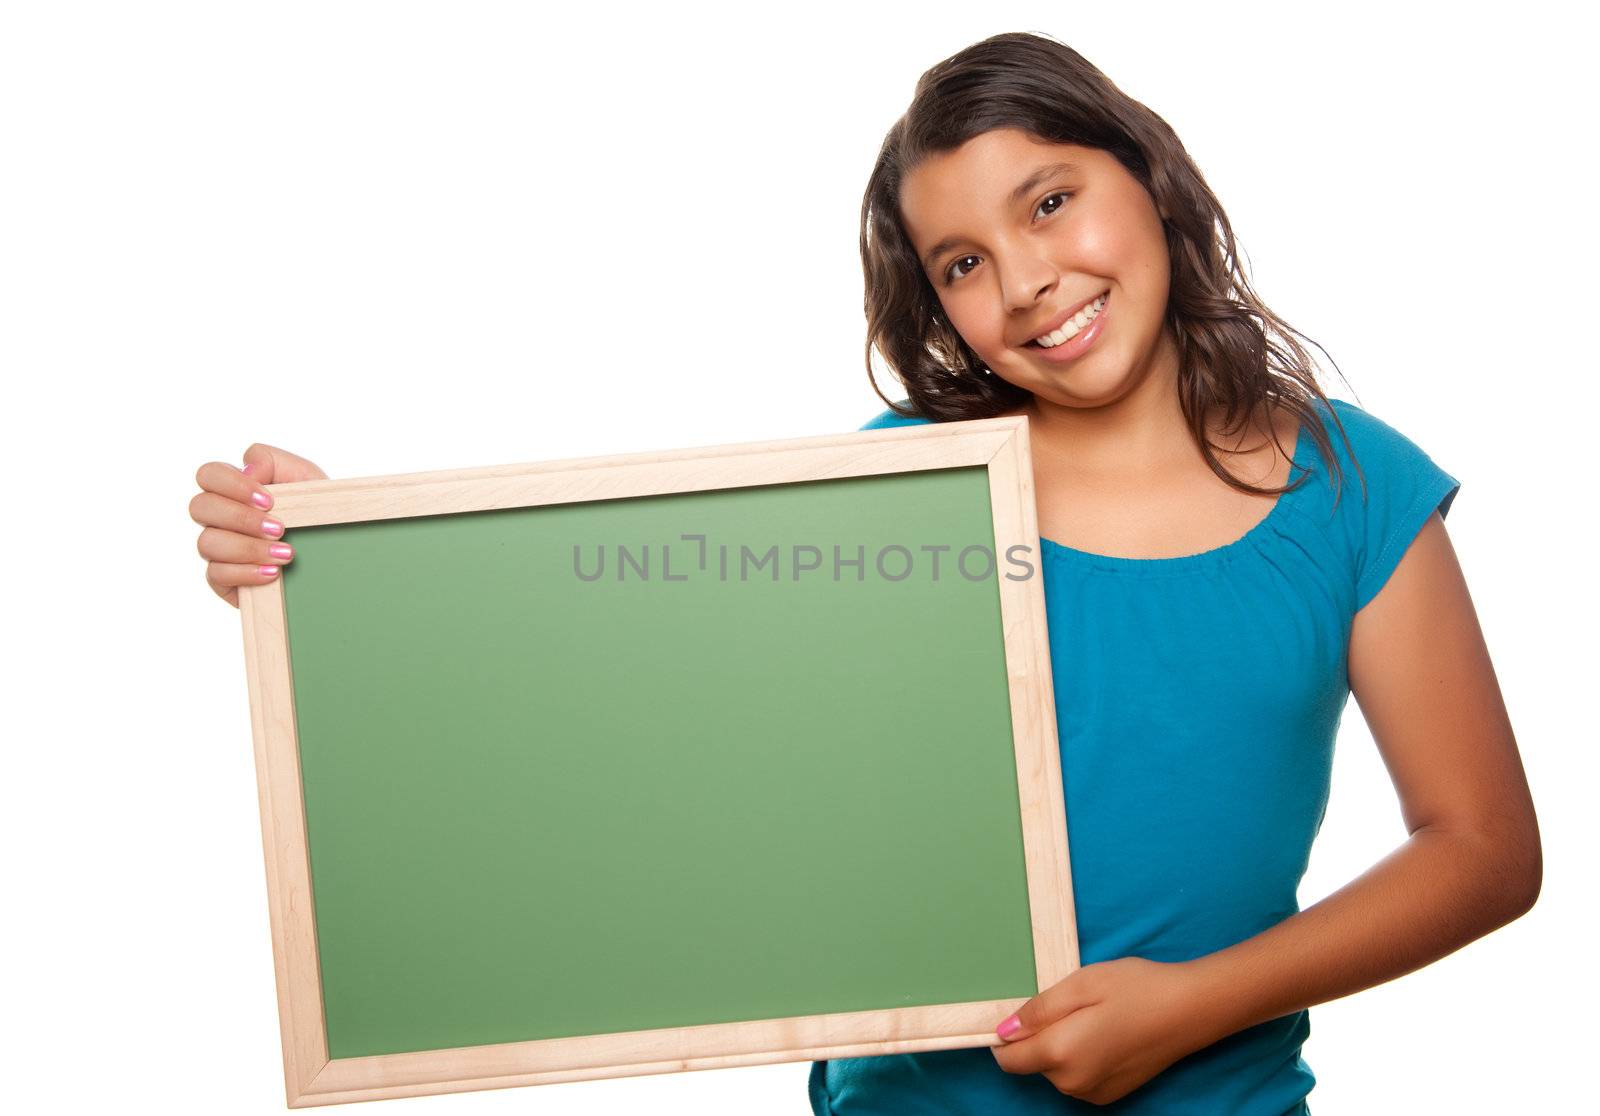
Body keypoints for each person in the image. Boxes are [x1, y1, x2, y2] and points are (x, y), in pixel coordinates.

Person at [188, 30, 1541, 1116]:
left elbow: (1482, 851)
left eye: (1052, 202)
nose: (1025, 281)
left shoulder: (1353, 488)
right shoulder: (905, 490)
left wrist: (1191, 1007)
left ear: (1154, 178)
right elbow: (615, 705)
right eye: (964, 262)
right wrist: (341, 572)